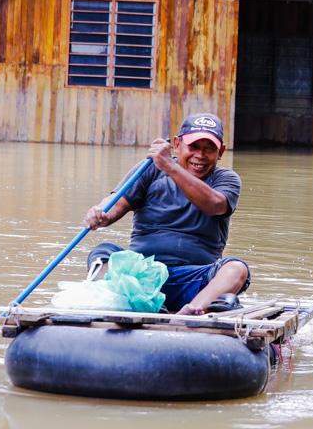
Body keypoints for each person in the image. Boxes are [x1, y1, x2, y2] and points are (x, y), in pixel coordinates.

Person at [83, 113, 250, 314]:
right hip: (142, 278)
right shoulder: (151, 169)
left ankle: (191, 312)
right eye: (194, 147)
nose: (201, 155)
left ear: (220, 152)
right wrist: (100, 214)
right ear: (178, 145)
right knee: (102, 254)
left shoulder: (226, 179)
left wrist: (169, 167)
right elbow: (115, 204)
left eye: (209, 149)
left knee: (237, 269)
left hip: (194, 281)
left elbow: (213, 204)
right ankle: (140, 304)